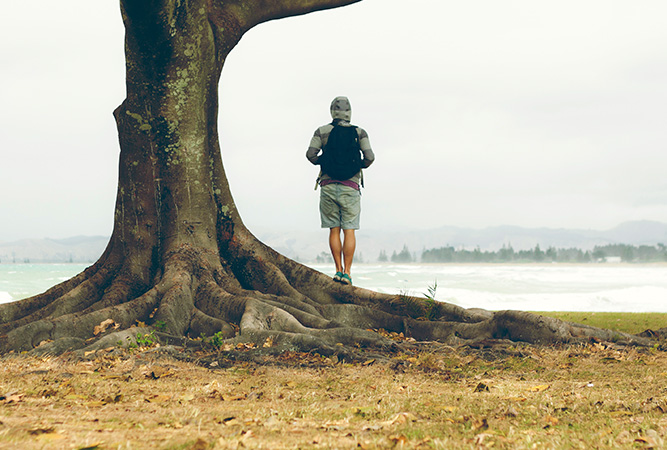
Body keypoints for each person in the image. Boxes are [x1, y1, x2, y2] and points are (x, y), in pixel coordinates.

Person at [306, 96, 375, 286]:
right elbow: (370, 157)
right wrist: (356, 166)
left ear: (332, 112)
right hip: (350, 187)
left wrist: (327, 161)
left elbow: (310, 155)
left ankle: (337, 270)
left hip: (328, 186)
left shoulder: (322, 131)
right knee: (349, 231)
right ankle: (348, 273)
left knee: (334, 230)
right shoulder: (360, 133)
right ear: (349, 112)